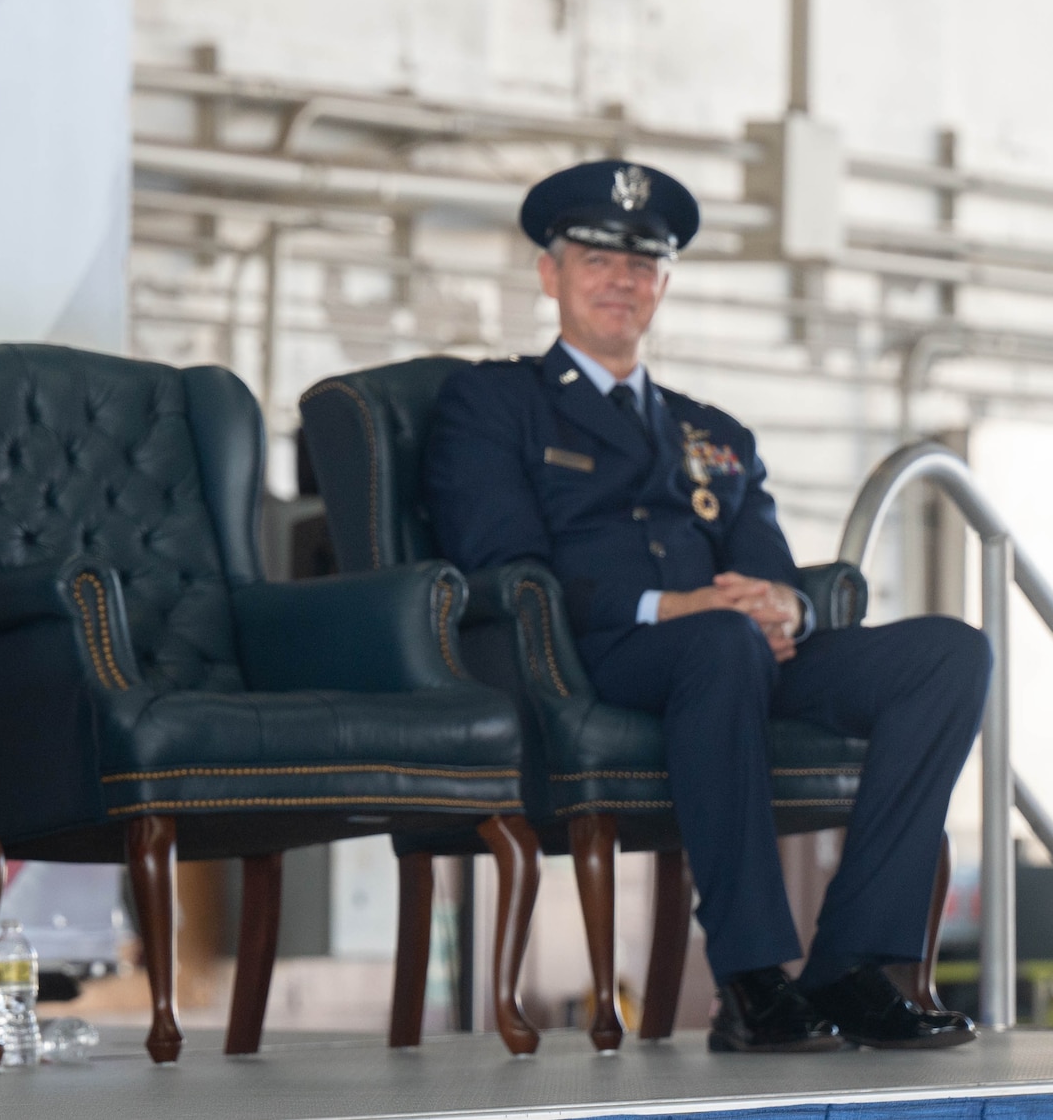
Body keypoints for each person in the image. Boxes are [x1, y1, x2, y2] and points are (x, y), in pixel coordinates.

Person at [424, 160, 989, 1054]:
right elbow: (500, 562)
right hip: (594, 657)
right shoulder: (497, 403)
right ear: (550, 273)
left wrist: (786, 609)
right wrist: (672, 604)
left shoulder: (712, 432)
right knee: (720, 638)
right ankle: (753, 979)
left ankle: (853, 960)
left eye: (642, 264)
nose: (622, 281)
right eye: (597, 260)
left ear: (664, 284)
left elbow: (764, 567)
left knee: (950, 652)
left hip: (733, 652)